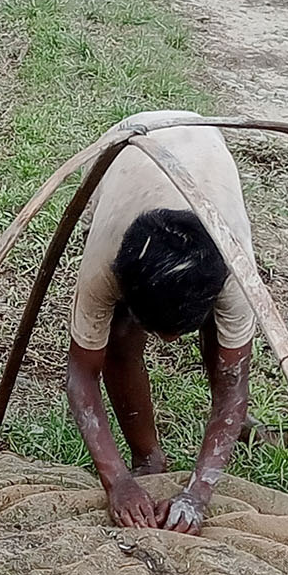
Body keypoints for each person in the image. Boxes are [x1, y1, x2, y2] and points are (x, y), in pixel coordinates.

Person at [63, 116, 254, 535]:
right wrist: (118, 480)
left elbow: (235, 380)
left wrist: (197, 493)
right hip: (131, 148)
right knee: (117, 337)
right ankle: (147, 456)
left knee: (223, 350)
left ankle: (236, 428)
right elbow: (81, 373)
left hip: (202, 145)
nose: (167, 341)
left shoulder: (235, 272)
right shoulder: (106, 266)